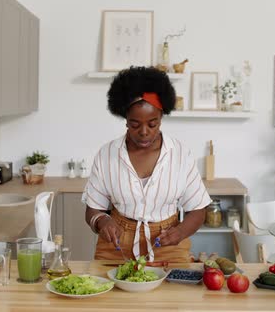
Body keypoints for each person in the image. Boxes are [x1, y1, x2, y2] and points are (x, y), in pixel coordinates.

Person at [82, 66, 212, 262]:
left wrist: (180, 232)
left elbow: (198, 210)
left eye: (152, 124)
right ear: (125, 120)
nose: (144, 131)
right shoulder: (106, 154)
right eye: (135, 124)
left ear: (161, 118)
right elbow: (93, 209)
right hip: (116, 246)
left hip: (167, 243)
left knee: (174, 293)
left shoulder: (180, 154)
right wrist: (102, 221)